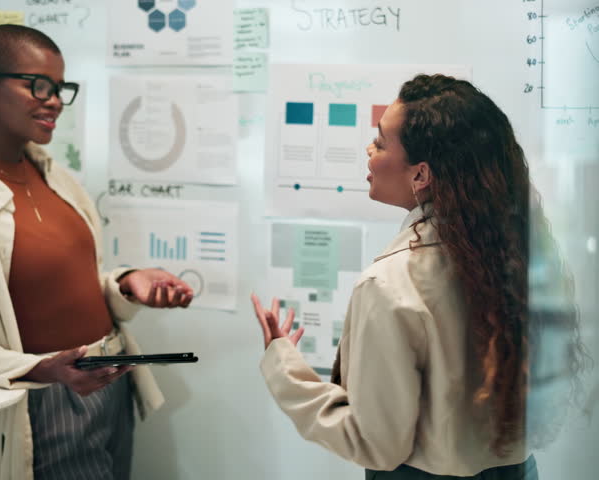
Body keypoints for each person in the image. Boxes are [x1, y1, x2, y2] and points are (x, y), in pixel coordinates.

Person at [251, 74, 586, 479]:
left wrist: (285, 368)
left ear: (421, 175)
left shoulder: (390, 285)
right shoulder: (522, 259)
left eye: (380, 141)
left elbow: (375, 444)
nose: (368, 150)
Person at [0, 24, 193, 480]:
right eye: (38, 85)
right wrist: (44, 370)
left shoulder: (56, 178)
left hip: (110, 383)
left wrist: (125, 283)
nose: (54, 101)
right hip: (47, 402)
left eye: (60, 88)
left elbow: (71, 279)